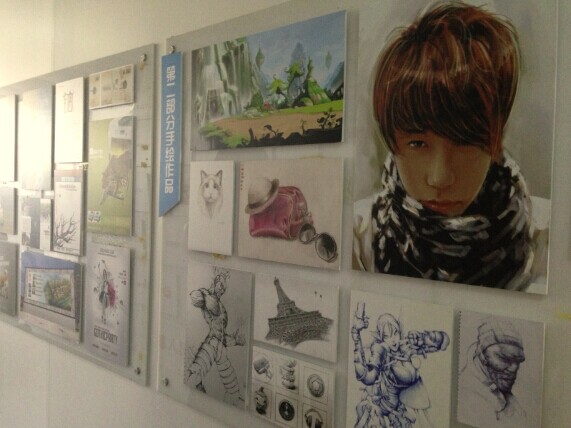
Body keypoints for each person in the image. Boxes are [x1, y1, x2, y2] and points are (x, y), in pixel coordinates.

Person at [352, 2, 549, 290]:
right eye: (417, 143)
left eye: (465, 142)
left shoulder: (545, 240)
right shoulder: (359, 238)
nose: (440, 178)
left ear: (495, 139)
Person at [351, 303, 449, 428]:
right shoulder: (382, 351)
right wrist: (356, 334)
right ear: (381, 338)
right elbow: (367, 377)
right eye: (386, 336)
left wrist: (433, 339)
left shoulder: (404, 348)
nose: (393, 339)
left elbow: (431, 344)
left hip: (397, 410)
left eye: (395, 333)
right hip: (379, 409)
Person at [185, 269, 245, 404]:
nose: (222, 289)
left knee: (233, 389)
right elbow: (195, 297)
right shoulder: (208, 296)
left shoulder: (218, 303)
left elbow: (222, 335)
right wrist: (203, 295)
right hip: (211, 345)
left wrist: (236, 341)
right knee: (194, 375)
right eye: (221, 285)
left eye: (224, 288)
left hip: (220, 348)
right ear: (216, 281)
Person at [457, 318, 526, 427]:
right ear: (482, 354)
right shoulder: (464, 393)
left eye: (518, 361)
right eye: (504, 358)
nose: (514, 369)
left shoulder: (505, 393)